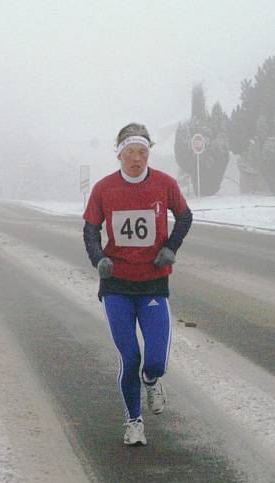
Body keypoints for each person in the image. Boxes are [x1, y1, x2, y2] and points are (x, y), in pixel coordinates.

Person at [82, 123, 193, 446]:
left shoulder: (164, 184)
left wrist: (170, 247)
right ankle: (134, 422)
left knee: (154, 360)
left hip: (153, 283)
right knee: (130, 356)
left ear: (148, 154)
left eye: (142, 152)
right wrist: (98, 258)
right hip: (117, 285)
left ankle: (151, 379)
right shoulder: (104, 189)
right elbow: (90, 228)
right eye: (129, 152)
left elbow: (185, 216)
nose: (136, 159)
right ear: (119, 155)